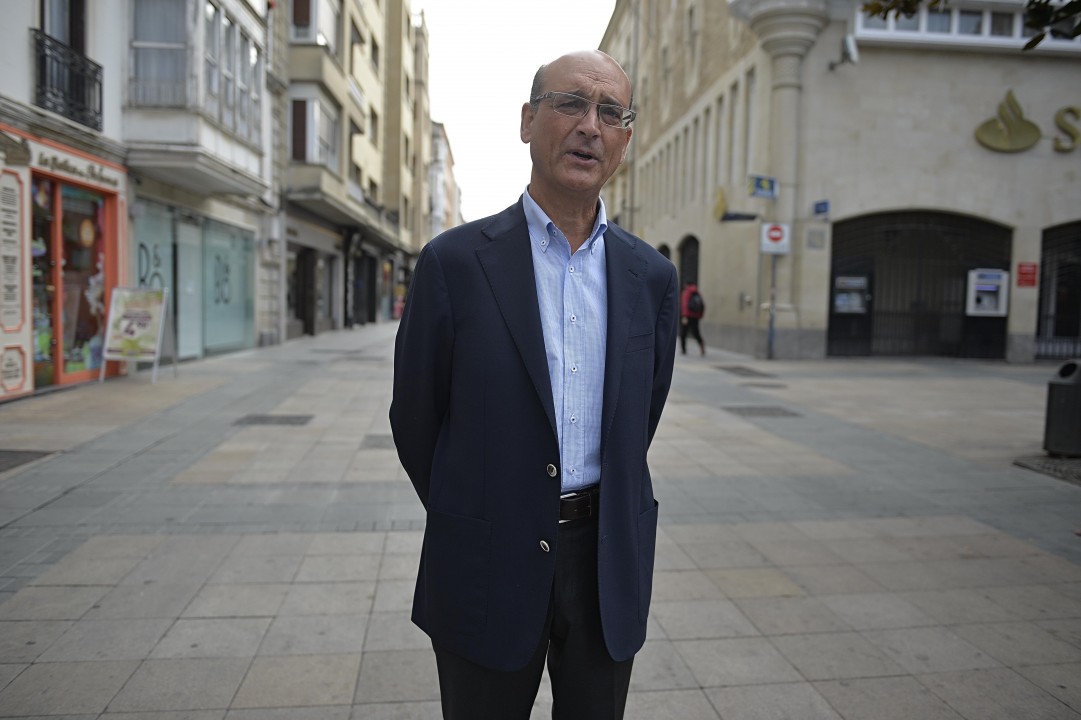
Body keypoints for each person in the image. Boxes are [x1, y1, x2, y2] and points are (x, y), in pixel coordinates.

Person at [390, 50, 679, 720]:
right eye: (570, 104)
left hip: (605, 559)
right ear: (527, 121)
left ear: (625, 138)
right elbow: (416, 419)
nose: (590, 126)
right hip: (486, 555)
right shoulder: (455, 264)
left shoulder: (651, 278)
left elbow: (642, 414)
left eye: (611, 113)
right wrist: (477, 506)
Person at [680, 280, 706, 355]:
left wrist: (684, 316)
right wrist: (700, 315)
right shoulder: (697, 292)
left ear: (686, 285)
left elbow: (685, 305)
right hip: (696, 316)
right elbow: (702, 305)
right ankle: (701, 345)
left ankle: (683, 350)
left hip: (688, 316)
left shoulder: (686, 292)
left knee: (683, 333)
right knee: (696, 333)